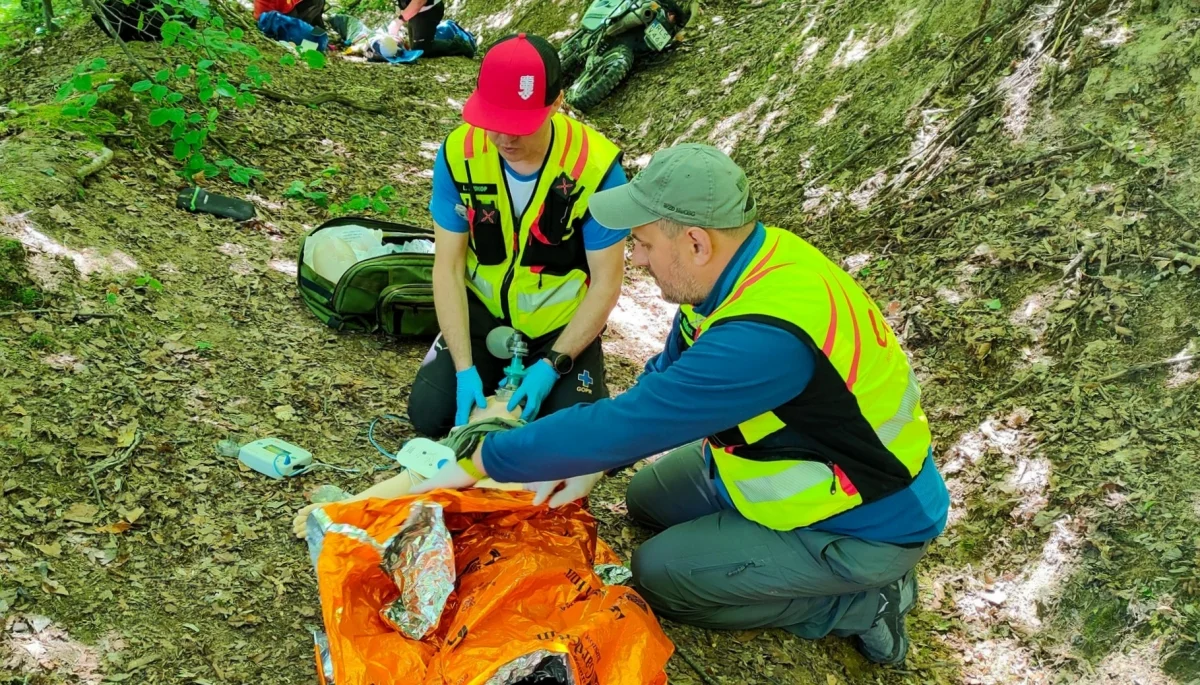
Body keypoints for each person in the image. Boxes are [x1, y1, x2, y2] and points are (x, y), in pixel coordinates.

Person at [411, 144, 951, 665]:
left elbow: (632, 424)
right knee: (645, 502)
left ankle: (862, 603)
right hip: (782, 465)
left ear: (695, 242)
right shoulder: (744, 264)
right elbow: (662, 379)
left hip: (859, 519)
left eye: (643, 243)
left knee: (661, 577)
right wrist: (592, 464)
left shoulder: (763, 340)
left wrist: (483, 458)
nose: (637, 259)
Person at [406, 33, 629, 437]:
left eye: (519, 125)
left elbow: (608, 283)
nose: (505, 139)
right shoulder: (460, 154)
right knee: (429, 416)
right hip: (483, 314)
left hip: (558, 326)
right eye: (494, 121)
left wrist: (553, 365)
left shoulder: (597, 170)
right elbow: (449, 266)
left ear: (557, 102)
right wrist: (463, 368)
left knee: (576, 436)